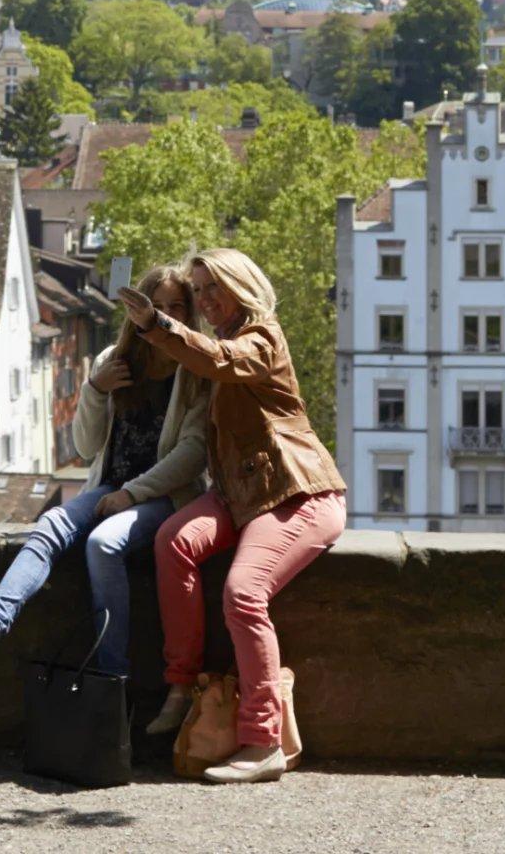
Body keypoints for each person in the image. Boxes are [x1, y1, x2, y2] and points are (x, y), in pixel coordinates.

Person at [127, 247, 347, 786]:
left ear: (241, 286)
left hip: (295, 493)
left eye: (214, 287)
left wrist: (157, 324)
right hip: (239, 494)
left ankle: (263, 740)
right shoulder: (218, 343)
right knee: (173, 540)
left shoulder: (262, 337)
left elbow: (219, 361)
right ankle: (181, 685)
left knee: (243, 593)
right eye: (199, 290)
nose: (205, 299)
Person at [0, 263, 209, 679]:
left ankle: (112, 676)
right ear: (139, 311)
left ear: (189, 313)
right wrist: (95, 390)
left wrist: (132, 494)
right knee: (50, 525)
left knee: (103, 543)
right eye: (157, 306)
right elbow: (86, 447)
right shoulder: (115, 361)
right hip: (109, 487)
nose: (166, 316)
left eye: (177, 307)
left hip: (165, 496)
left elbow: (193, 454)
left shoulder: (198, 370)